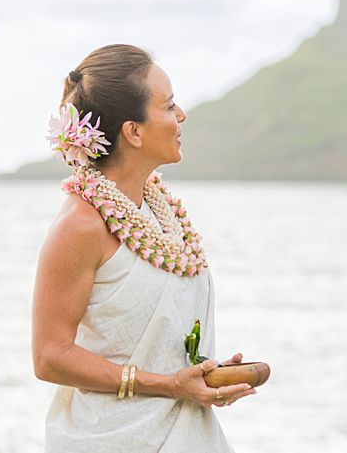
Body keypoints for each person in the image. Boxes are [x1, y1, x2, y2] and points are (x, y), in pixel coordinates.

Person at [32, 44, 255, 452]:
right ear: (132, 132)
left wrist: (200, 375)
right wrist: (168, 385)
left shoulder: (158, 208)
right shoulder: (80, 226)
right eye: (169, 107)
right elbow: (49, 357)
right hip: (114, 439)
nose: (182, 115)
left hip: (185, 432)